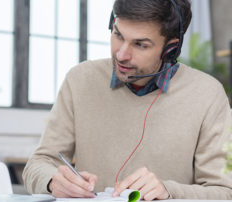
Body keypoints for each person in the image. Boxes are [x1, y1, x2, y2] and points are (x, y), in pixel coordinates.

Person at [23, 0, 232, 200]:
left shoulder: (207, 94)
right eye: (118, 35)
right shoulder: (80, 79)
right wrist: (52, 181)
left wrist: (168, 191)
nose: (121, 54)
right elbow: (40, 163)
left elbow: (224, 191)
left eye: (140, 44)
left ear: (170, 49)